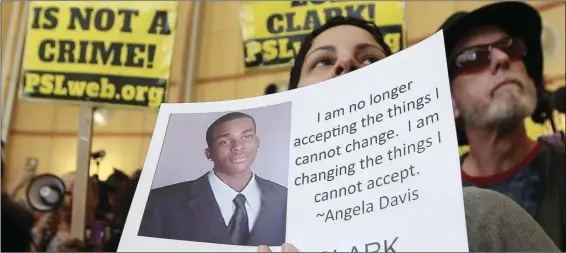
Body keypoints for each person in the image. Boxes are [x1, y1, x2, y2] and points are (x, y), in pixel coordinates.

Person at [257, 15, 560, 252]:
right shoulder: (240, 231)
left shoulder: (479, 218)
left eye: (370, 60)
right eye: (322, 61)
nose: (346, 64)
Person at [438, 2, 565, 249]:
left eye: (512, 47)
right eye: (474, 56)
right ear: (451, 101)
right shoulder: (434, 198)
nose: (502, 58)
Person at [139, 112, 287, 246]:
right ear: (209, 153)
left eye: (247, 136)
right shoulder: (162, 202)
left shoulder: (284, 198)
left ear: (257, 143)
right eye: (225, 141)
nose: (238, 146)